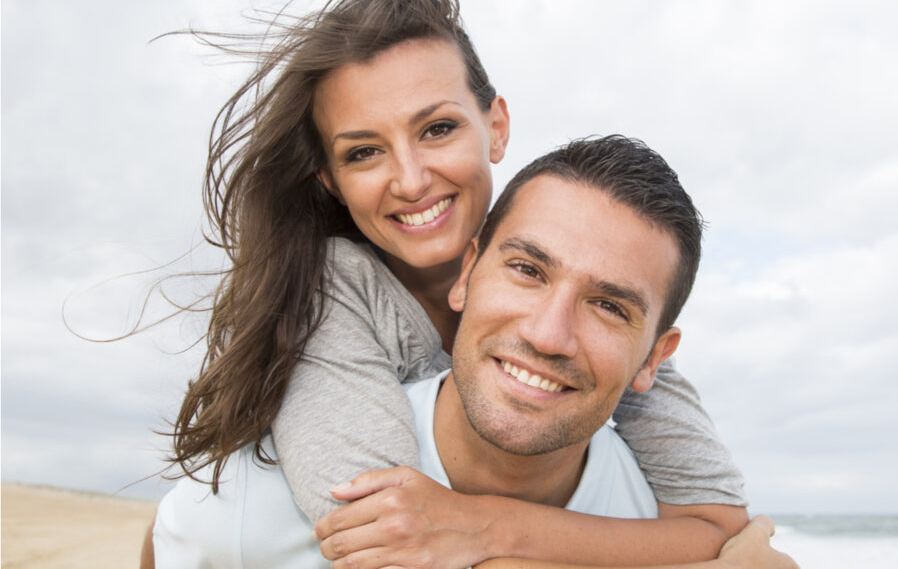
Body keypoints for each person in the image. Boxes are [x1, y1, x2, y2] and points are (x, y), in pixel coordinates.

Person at [162, 0, 746, 565]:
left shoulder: (585, 283)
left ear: (496, 127)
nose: (412, 180)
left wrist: (491, 526)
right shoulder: (327, 291)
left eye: (438, 129)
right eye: (363, 152)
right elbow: (391, 537)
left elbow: (718, 525)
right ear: (330, 180)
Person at [150, 136, 796, 569]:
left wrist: (487, 529)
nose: (548, 335)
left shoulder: (667, 530)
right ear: (466, 273)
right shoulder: (257, 505)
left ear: (655, 358)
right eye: (527, 270)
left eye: (608, 306)